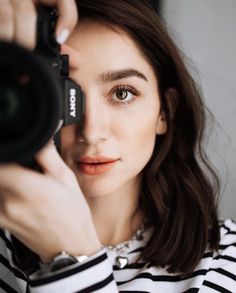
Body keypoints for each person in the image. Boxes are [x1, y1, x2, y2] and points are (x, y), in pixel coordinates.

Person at [0, 0, 235, 292]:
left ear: (165, 112)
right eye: (65, 96)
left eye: (122, 93)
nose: (92, 132)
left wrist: (71, 259)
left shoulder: (225, 259)